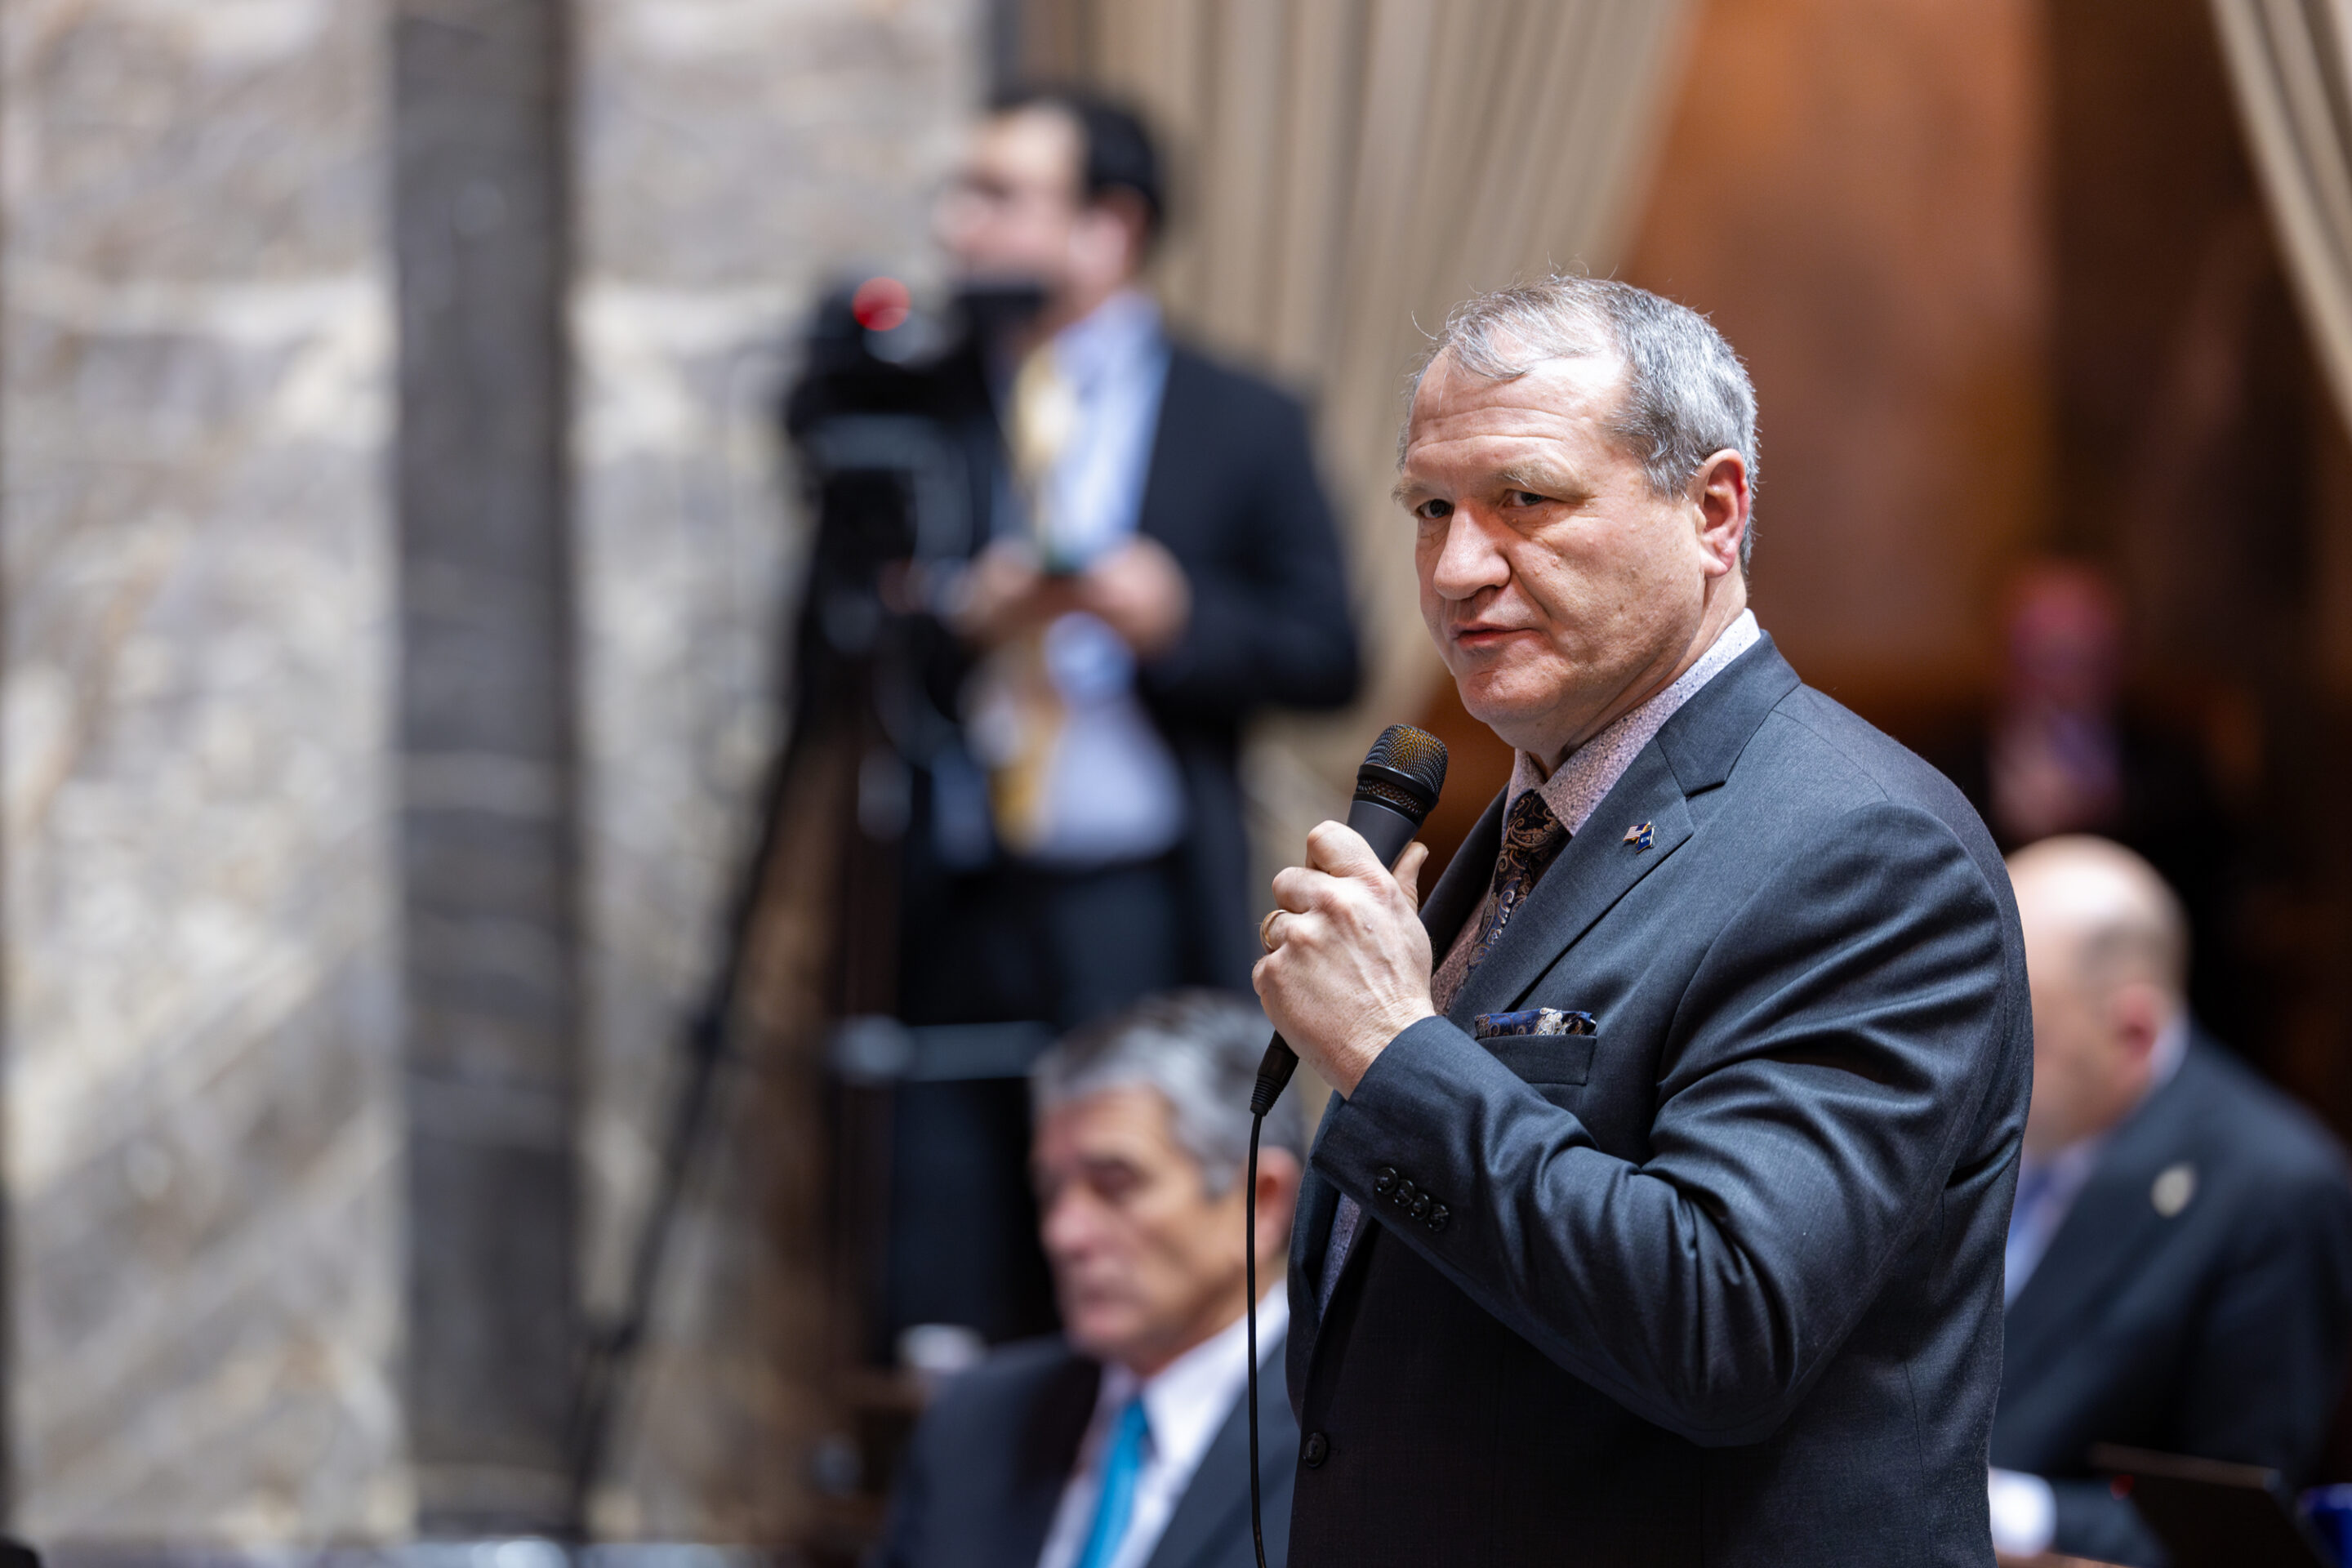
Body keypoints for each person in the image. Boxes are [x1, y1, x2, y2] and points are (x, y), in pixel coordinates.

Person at [1251, 276, 2033, 1565]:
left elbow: (1725, 1323)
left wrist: (1390, 1050)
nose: (1457, 568)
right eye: (1432, 508)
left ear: (1714, 511)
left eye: (1526, 498)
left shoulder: (1865, 847)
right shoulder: (1526, 821)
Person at [882, 87, 1361, 1347]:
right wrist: (956, 615)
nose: (960, 226)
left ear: (1110, 227)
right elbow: (842, 640)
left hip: (1142, 891)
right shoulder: (924, 410)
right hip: (955, 891)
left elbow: (1331, 650)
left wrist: (1178, 619)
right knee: (955, 1257)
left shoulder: (1240, 414)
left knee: (1153, 1225)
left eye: (1000, 197)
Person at [1988, 836, 2352, 1568]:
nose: (1980, 1066)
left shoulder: (2275, 1191)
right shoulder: (1981, 1125)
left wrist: (2007, 1512)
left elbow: (2235, 1527)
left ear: (2133, 1033)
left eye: (2027, 1037)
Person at [881, 991, 1307, 1568]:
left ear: (1259, 1201)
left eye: (1115, 1185)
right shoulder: (975, 1421)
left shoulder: (1349, 1442)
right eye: (1050, 1191)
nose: (1064, 1234)